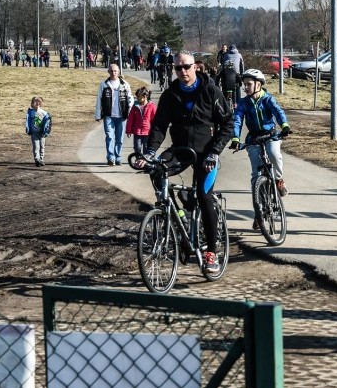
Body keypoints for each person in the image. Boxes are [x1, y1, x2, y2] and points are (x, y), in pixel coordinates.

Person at [136, 51, 233, 273]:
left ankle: (211, 252)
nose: (182, 72)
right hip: (180, 150)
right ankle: (174, 217)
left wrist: (215, 152)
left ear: (195, 67)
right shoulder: (170, 95)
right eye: (178, 68)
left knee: (203, 195)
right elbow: (159, 126)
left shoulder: (210, 90)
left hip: (206, 153)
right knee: (156, 170)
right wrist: (149, 152)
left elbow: (227, 123)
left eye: (186, 67)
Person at [229, 69, 292, 223]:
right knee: (256, 177)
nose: (246, 87)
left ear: (258, 84)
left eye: (249, 84)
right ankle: (259, 210)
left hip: (271, 135)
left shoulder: (267, 99)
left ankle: (278, 180)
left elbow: (278, 112)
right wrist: (235, 139)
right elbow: (237, 120)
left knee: (274, 154)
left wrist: (284, 126)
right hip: (253, 138)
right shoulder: (244, 103)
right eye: (244, 85)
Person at [94, 63, 133, 166]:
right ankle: (111, 158)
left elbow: (130, 98)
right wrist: (98, 115)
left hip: (122, 116)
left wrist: (130, 110)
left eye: (115, 71)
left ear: (118, 72)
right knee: (110, 137)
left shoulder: (124, 84)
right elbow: (99, 100)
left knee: (119, 139)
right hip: (109, 116)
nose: (113, 73)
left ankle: (118, 157)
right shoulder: (104, 84)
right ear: (108, 72)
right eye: (111, 71)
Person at [125, 86, 157, 156]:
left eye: (138, 97)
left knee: (146, 148)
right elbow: (130, 119)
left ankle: (145, 161)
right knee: (137, 147)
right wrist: (128, 130)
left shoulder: (152, 106)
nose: (137, 98)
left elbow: (154, 120)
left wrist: (155, 131)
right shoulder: (135, 106)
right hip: (137, 131)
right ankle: (138, 159)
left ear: (144, 96)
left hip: (147, 132)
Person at [25, 96, 51, 167]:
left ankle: (41, 159)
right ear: (32, 103)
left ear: (41, 103)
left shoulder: (44, 113)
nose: (37, 103)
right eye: (35, 102)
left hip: (42, 133)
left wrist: (46, 131)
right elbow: (28, 121)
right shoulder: (31, 113)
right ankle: (37, 159)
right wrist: (28, 129)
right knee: (36, 146)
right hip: (34, 133)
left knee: (42, 146)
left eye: (39, 102)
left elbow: (48, 122)